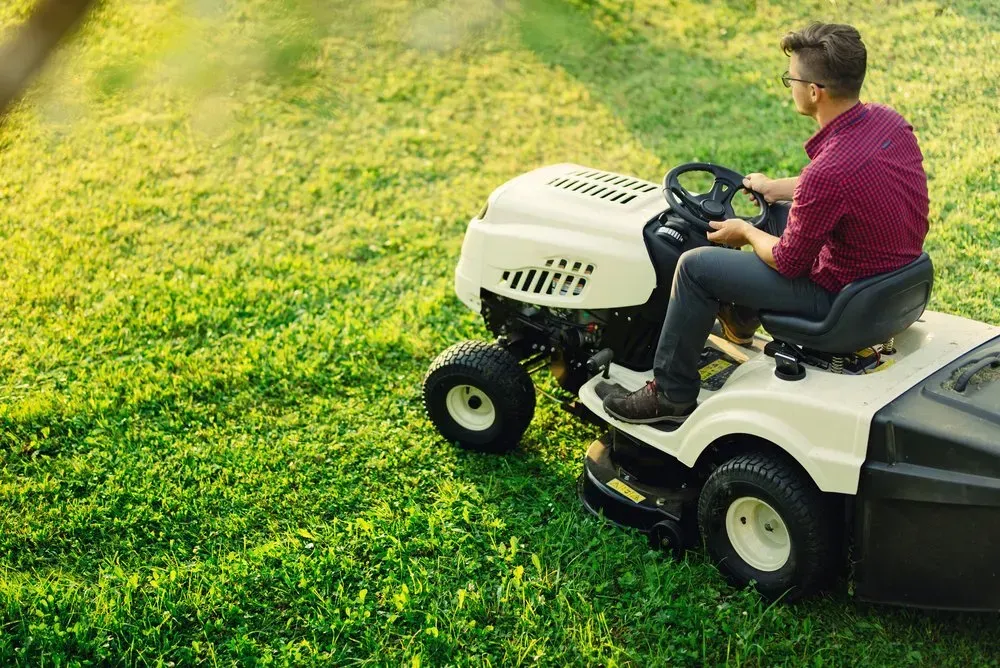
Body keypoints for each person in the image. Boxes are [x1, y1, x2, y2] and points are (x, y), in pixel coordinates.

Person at [603, 22, 929, 425]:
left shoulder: (829, 171)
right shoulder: (888, 124)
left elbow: (789, 260)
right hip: (889, 279)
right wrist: (774, 189)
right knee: (774, 214)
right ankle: (740, 319)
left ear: (814, 91)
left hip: (839, 299)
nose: (789, 85)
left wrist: (742, 231)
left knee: (695, 268)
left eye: (791, 78)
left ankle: (671, 393)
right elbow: (844, 185)